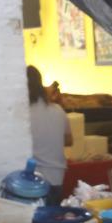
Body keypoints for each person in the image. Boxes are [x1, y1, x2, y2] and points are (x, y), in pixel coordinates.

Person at [27, 66, 72, 202]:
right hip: (57, 176)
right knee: (52, 220)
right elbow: (69, 141)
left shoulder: (23, 115)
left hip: (33, 178)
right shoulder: (58, 110)